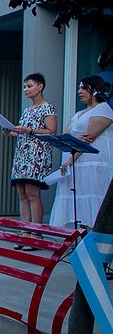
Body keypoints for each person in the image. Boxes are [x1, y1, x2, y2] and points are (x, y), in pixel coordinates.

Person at [50, 75, 113, 229]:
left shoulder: (103, 109)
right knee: (76, 197)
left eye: (84, 88)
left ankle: (92, 232)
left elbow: (88, 138)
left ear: (95, 90)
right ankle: (77, 234)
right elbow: (66, 135)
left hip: (91, 162)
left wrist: (71, 159)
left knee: (92, 194)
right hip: (76, 163)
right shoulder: (79, 113)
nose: (79, 91)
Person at [3, 73, 58, 239]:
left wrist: (30, 130)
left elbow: (51, 131)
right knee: (22, 195)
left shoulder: (48, 108)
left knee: (33, 194)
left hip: (37, 156)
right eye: (25, 86)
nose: (26, 89)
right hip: (22, 155)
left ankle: (35, 233)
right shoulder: (27, 110)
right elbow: (23, 133)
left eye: (30, 86)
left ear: (40, 87)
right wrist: (11, 131)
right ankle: (24, 231)